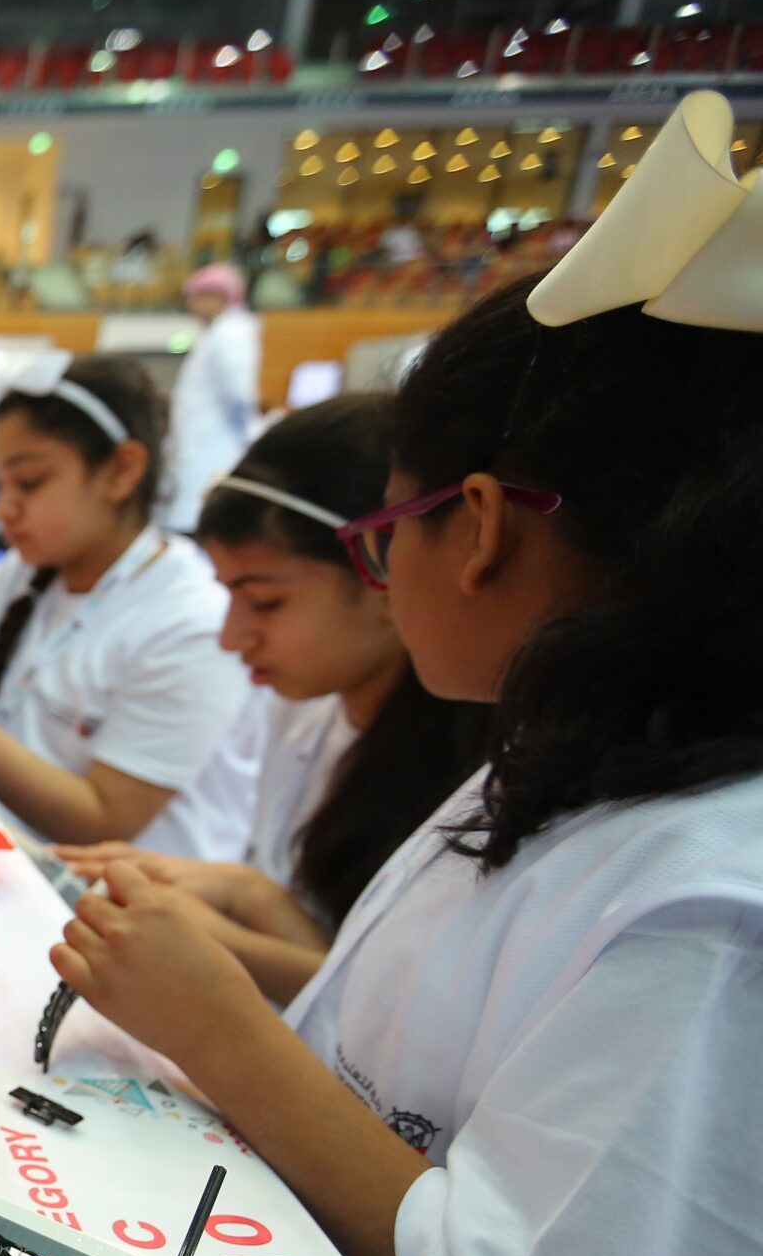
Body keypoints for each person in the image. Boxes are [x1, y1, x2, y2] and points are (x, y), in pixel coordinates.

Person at [50, 95, 763, 1256]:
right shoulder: (560, 760)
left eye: (391, 531)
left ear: (482, 527)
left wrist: (227, 1026)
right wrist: (242, 970)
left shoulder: (725, 896)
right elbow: (436, 1067)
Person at [57, 395, 487, 1002]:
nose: (232, 637)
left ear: (388, 569)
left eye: (265, 602)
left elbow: (391, 1021)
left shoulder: (478, 786)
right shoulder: (303, 710)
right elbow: (333, 955)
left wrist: (222, 937)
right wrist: (249, 893)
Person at [0, 353, 260, 858]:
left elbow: (104, 821)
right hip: (7, 852)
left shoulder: (189, 624)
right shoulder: (34, 571)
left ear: (122, 472)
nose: (3, 509)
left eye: (30, 482)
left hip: (108, 902)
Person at [162, 262, 263, 532]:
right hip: (200, 442)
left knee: (202, 517)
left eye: (197, 297)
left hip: (216, 445)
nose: (192, 305)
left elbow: (239, 392)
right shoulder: (217, 332)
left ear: (218, 297)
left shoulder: (234, 333)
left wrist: (249, 432)